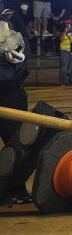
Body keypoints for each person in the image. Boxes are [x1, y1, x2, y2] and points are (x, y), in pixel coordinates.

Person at [0, 14, 30, 205]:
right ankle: (15, 190)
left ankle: (16, 189)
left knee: (16, 147)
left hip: (10, 96)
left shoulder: (10, 23)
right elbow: (22, 68)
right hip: (10, 94)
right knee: (16, 147)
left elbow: (22, 64)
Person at [57, 19, 72, 86]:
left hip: (71, 51)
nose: (69, 26)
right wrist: (65, 32)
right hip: (64, 51)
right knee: (64, 67)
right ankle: (62, 83)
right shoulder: (61, 32)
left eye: (70, 24)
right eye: (67, 24)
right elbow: (60, 39)